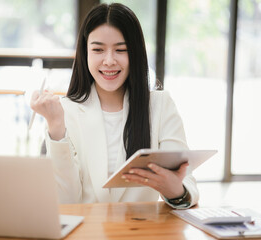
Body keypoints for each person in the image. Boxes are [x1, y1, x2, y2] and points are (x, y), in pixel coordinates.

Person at [30, 3, 198, 209]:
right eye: (98, 49)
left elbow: (187, 184)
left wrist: (174, 190)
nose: (109, 61)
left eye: (121, 50)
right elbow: (65, 201)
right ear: (85, 53)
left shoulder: (160, 106)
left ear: (135, 53)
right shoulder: (65, 111)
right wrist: (56, 127)